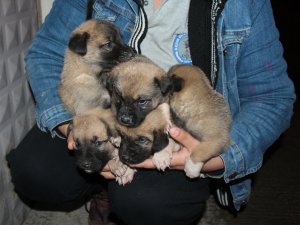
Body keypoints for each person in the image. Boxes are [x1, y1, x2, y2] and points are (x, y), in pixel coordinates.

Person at [6, 0, 295, 225]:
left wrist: (214, 154)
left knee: (149, 203)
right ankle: (102, 190)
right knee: (36, 171)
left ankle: (126, 195)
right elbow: (45, 53)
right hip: (96, 110)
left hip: (175, 128)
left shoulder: (243, 4)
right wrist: (69, 126)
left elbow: (272, 98)